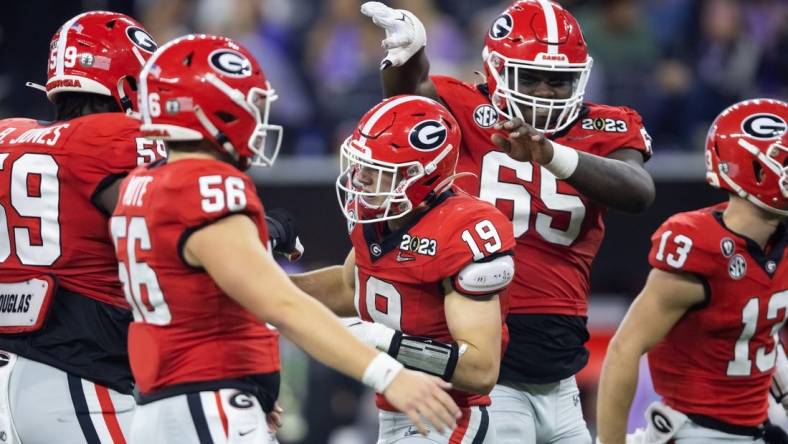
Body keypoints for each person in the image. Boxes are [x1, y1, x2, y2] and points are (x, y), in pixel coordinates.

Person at [115, 34, 460, 443]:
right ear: (214, 110)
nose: (259, 118)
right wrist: (388, 374)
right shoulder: (206, 184)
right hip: (206, 404)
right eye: (251, 104)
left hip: (164, 404)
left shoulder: (142, 182)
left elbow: (208, 301)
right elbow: (279, 302)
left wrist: (252, 380)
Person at [360, 1, 656, 442]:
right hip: (488, 365)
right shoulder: (462, 104)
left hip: (561, 376)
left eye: (558, 81)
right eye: (530, 76)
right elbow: (409, 98)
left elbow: (638, 191)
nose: (544, 91)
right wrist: (408, 54)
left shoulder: (609, 125)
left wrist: (551, 155)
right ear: (496, 69)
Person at [291, 94, 515, 442]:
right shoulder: (380, 217)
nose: (360, 179)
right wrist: (264, 293)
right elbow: (351, 288)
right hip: (397, 408)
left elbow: (481, 368)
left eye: (376, 170)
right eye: (360, 163)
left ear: (417, 178)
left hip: (449, 416)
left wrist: (379, 340)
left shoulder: (463, 229)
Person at [0, 11, 162, 443]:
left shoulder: (7, 135)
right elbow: (172, 226)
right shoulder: (111, 139)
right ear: (128, 84)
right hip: (75, 380)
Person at [596, 98, 788, 444]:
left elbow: (762, 333)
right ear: (756, 170)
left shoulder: (779, 241)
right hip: (696, 432)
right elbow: (625, 348)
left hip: (756, 425)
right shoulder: (700, 245)